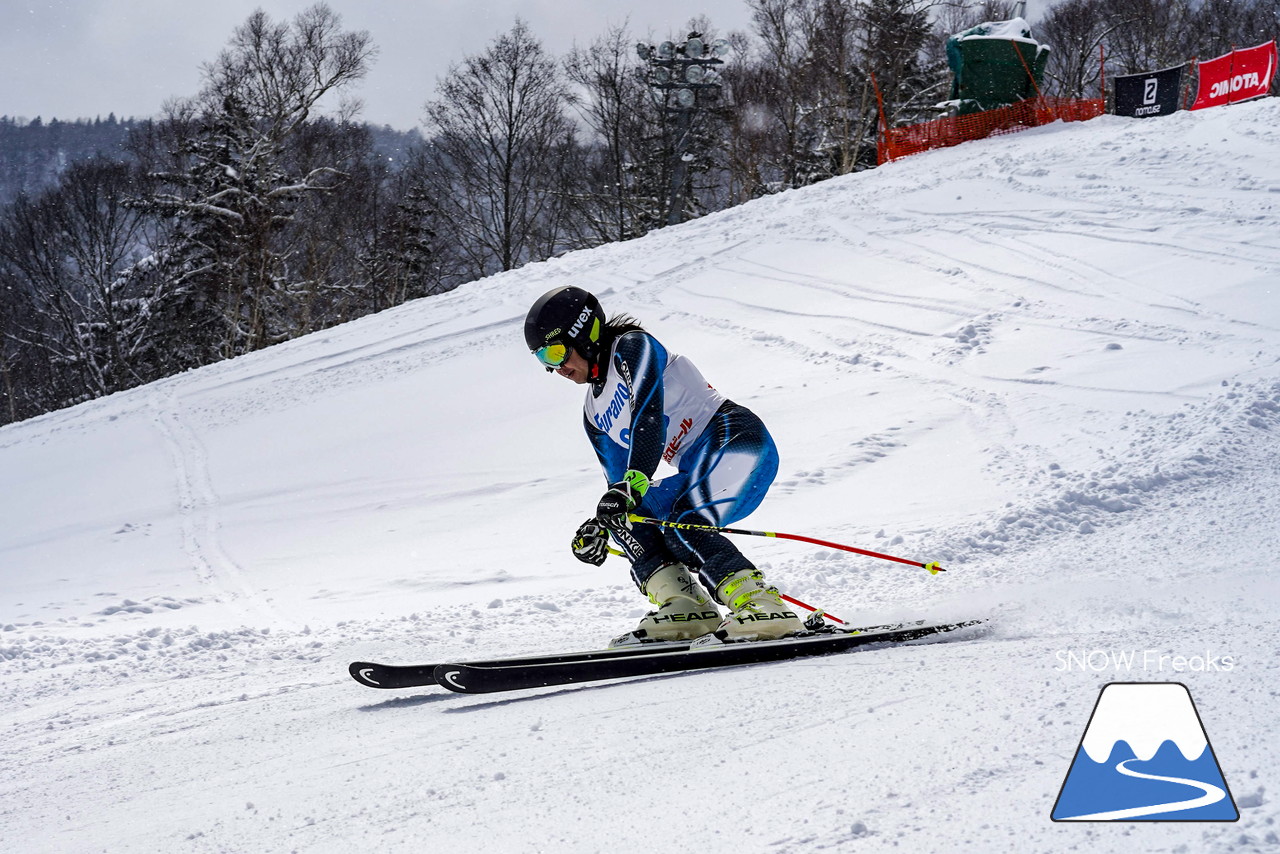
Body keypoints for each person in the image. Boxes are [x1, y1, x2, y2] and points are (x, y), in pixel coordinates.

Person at [524, 285, 807, 643]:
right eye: (544, 361)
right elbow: (621, 488)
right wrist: (602, 523)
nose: (557, 368)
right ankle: (686, 608)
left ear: (585, 332)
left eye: (556, 352)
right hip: (696, 466)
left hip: (736, 441)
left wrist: (632, 483)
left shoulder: (631, 347)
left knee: (684, 520)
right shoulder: (593, 413)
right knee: (623, 514)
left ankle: (764, 607)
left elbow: (649, 418)